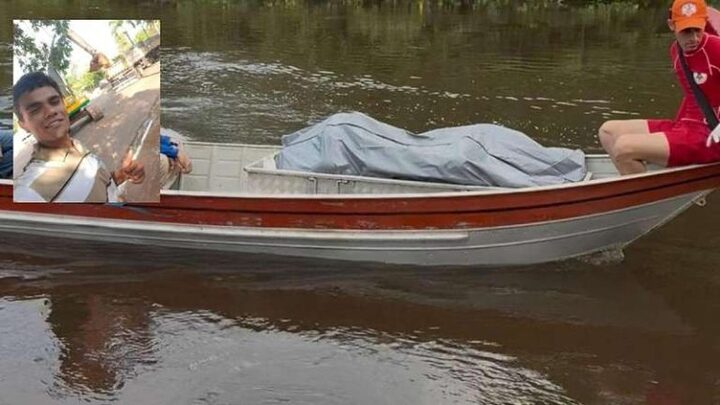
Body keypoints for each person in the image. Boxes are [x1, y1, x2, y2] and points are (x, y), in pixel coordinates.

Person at [599, 0, 720, 175]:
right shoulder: (676, 52)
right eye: (686, 31)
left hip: (711, 135)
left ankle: (643, 189)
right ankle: (640, 179)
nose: (693, 38)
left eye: (697, 30)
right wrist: (676, 131)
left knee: (624, 148)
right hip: (686, 126)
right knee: (608, 132)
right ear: (672, 25)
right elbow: (692, 95)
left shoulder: (716, 48)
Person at [12, 71, 144, 202]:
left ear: (63, 104)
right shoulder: (29, 191)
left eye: (54, 102)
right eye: (35, 110)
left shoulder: (75, 145)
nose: (51, 111)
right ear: (23, 124)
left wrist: (121, 175)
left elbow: (102, 186)